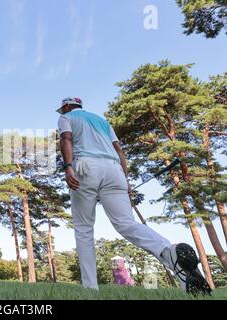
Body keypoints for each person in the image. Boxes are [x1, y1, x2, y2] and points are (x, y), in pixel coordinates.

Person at [57, 97, 211, 295]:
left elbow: (66, 139)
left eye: (63, 109)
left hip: (85, 166)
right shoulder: (103, 121)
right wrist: (125, 180)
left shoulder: (67, 118)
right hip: (114, 170)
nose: (62, 112)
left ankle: (90, 289)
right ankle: (168, 251)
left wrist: (68, 166)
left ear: (68, 107)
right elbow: (119, 150)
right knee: (126, 223)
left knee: (84, 228)